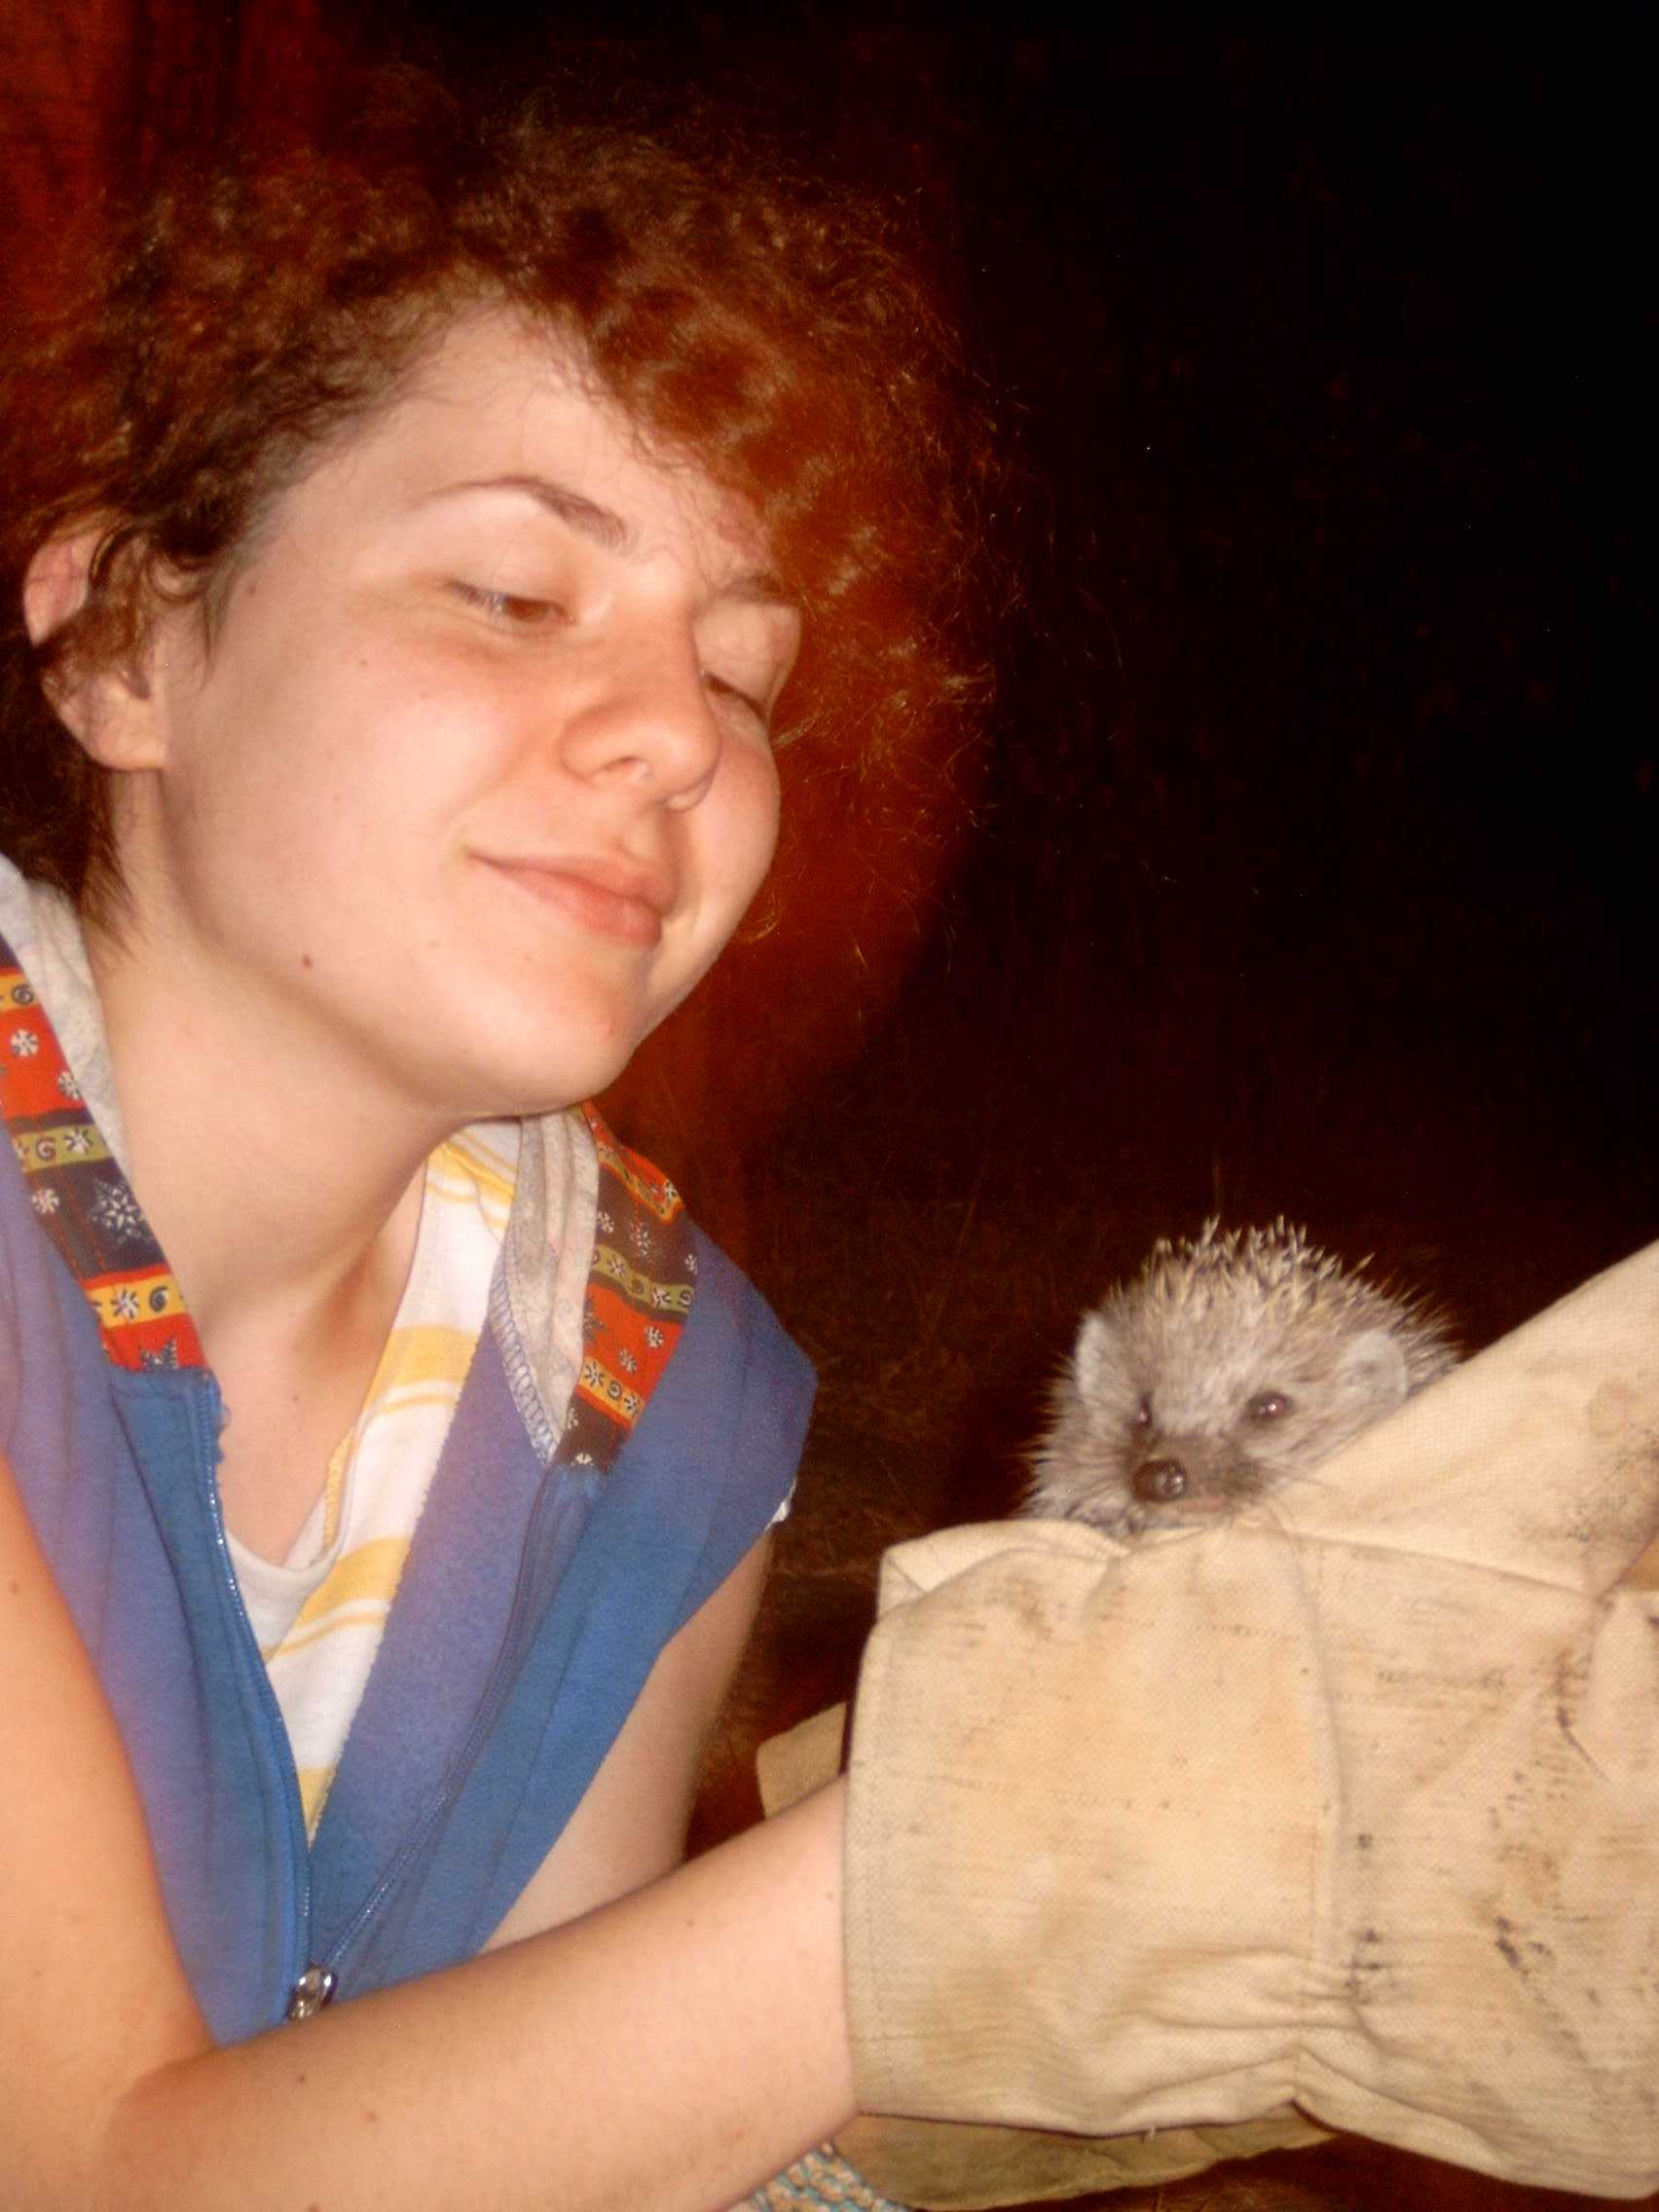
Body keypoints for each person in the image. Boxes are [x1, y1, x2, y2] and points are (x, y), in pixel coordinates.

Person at [0, 72, 973, 2209]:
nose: (680, 738)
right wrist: (1001, 1862)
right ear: (124, 642)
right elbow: (84, 2171)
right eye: (519, 595)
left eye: (745, 674)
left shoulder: (663, 1409)